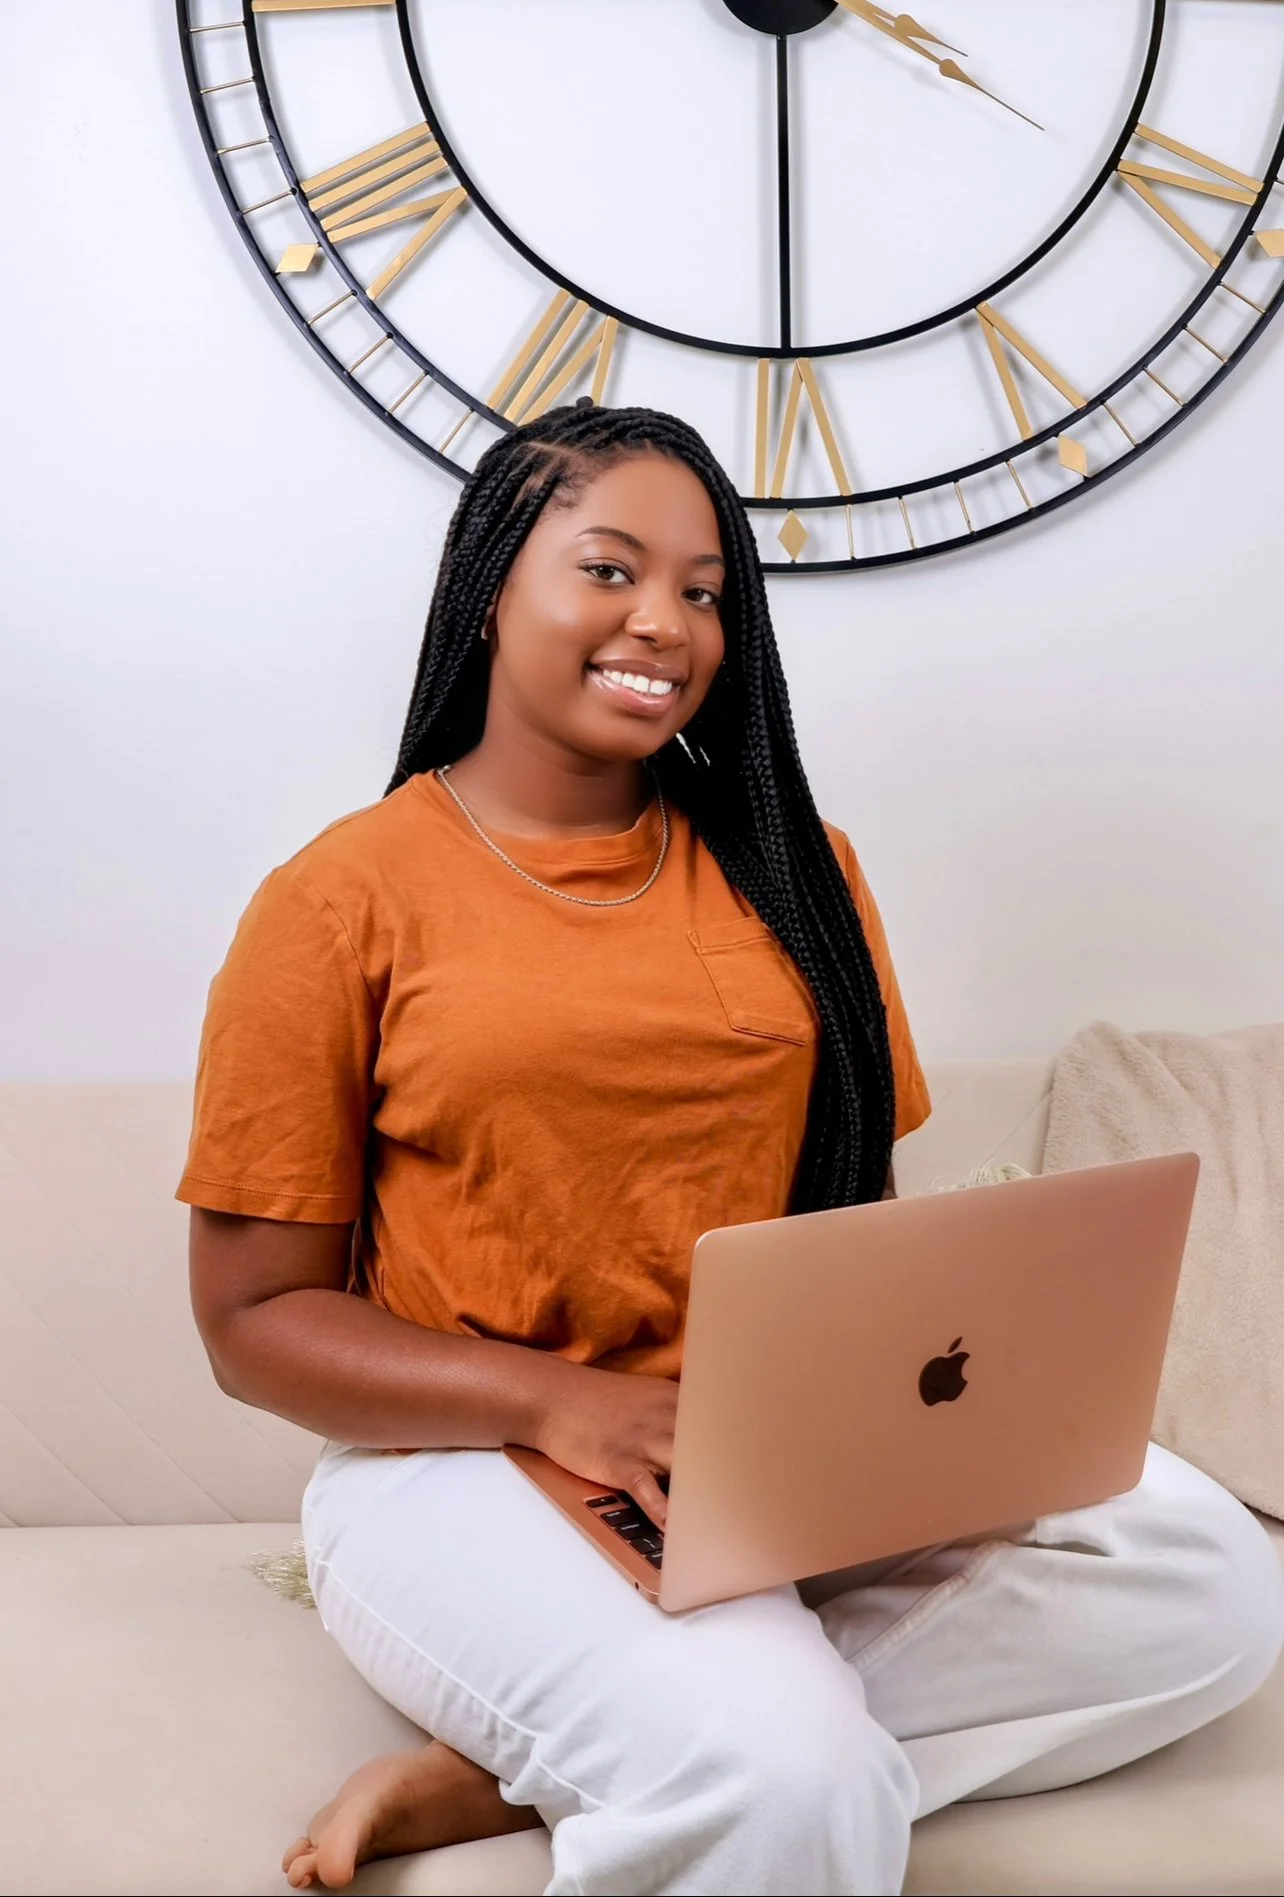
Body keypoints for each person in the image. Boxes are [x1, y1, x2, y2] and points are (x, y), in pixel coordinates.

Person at [181, 404, 1283, 1897]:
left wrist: (914, 1417)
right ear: (491, 584)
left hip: (757, 1452)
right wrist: (568, 1406)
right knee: (785, 1771)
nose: (666, 623)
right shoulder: (338, 901)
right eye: (611, 569)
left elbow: (852, 1229)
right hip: (460, 1463)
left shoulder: (800, 871)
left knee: (1211, 1583)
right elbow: (255, 1328)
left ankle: (541, 1772)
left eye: (704, 590)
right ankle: (688, 1753)